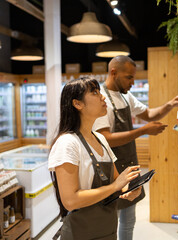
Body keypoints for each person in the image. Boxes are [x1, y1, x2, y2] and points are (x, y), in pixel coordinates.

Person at [93, 55, 178, 240]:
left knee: (129, 220)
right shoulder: (101, 100)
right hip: (110, 170)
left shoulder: (125, 97)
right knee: (111, 222)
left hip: (129, 165)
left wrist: (171, 104)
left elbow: (149, 114)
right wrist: (141, 131)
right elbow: (106, 139)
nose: (133, 82)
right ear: (113, 73)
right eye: (129, 77)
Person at [48, 77, 142, 240]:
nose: (103, 97)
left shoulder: (100, 138)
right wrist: (115, 187)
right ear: (78, 104)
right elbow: (70, 200)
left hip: (108, 231)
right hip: (80, 234)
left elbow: (117, 182)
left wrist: (130, 189)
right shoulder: (68, 143)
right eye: (95, 92)